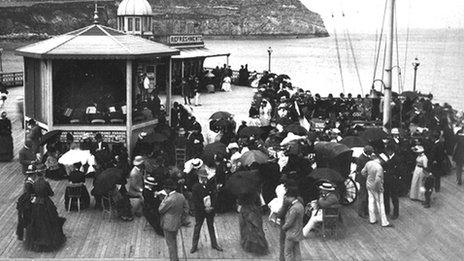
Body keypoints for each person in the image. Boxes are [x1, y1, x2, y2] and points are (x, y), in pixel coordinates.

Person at [25, 164, 66, 251]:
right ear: (43, 174)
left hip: (37, 204)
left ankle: (38, 239)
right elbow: (51, 193)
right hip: (46, 203)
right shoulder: (45, 183)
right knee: (50, 220)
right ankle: (48, 240)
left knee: (37, 222)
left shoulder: (34, 183)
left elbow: (33, 193)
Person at [190, 170, 223, 253]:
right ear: (199, 177)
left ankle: (214, 244)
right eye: (202, 177)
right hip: (200, 211)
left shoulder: (210, 185)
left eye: (205, 177)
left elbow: (214, 196)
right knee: (197, 228)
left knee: (211, 227)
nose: (204, 179)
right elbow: (195, 201)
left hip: (210, 211)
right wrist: (204, 208)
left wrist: (212, 207)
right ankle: (194, 246)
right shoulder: (195, 187)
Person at [159, 178, 189, 261]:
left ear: (168, 189)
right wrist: (182, 218)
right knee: (174, 241)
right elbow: (186, 209)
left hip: (168, 224)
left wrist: (164, 199)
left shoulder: (169, 199)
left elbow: (160, 210)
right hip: (177, 222)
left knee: (170, 245)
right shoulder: (181, 196)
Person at [361, 155, 393, 227]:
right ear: (380, 160)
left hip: (369, 184)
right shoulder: (379, 168)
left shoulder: (368, 163)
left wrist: (368, 178)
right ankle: (384, 222)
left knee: (371, 201)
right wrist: (378, 188)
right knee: (380, 204)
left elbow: (363, 172)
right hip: (376, 188)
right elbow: (378, 180)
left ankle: (372, 219)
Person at [282, 188, 304, 261]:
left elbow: (289, 222)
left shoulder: (294, 208)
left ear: (292, 197)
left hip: (291, 233)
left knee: (287, 252)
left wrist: (283, 227)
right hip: (298, 232)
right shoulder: (300, 205)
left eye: (287, 197)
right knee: (297, 252)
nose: (287, 199)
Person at [16, 165, 36, 241]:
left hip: (25, 199)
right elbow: (29, 194)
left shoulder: (28, 180)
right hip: (27, 202)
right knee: (28, 218)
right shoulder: (29, 183)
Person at [381, 146, 401, 219]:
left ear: (392, 151)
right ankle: (387, 210)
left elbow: (399, 170)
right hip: (386, 179)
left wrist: (389, 172)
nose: (387, 152)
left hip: (393, 180)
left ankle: (396, 213)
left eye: (388, 151)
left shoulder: (397, 158)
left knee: (394, 197)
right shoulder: (387, 157)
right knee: (385, 195)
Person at [355, 145, 373, 218]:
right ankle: (361, 212)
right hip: (363, 179)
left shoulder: (364, 157)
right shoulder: (362, 159)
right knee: (363, 196)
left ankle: (365, 211)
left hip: (365, 178)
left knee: (366, 195)